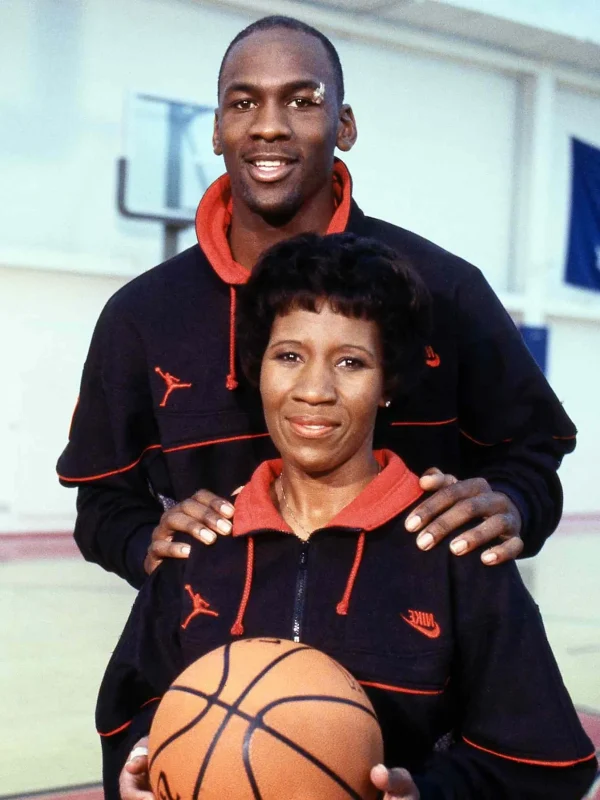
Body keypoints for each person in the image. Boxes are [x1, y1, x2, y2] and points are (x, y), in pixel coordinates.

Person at [57, 15, 576, 589]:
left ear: (344, 125)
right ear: (216, 129)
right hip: (221, 662)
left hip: (415, 657)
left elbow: (531, 453)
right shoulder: (141, 315)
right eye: (244, 103)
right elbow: (103, 501)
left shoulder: (443, 290)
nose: (270, 126)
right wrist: (142, 545)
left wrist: (513, 504)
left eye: (302, 101)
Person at [98, 234, 596, 800]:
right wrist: (142, 762)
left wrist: (431, 794)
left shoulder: (453, 550)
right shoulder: (202, 545)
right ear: (257, 369)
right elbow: (131, 713)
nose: (314, 390)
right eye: (289, 356)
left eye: (351, 363)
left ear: (388, 384)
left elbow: (546, 763)